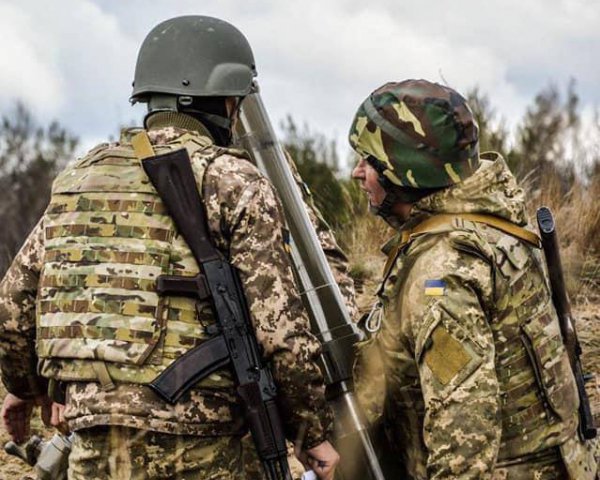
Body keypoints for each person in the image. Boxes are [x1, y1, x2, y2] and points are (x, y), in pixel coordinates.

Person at [0, 16, 340, 480]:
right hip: (200, 442)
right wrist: (311, 431)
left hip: (95, 437)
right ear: (223, 101)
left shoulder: (79, 180)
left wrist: (27, 387)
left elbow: (13, 305)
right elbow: (280, 331)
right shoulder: (232, 179)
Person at [350, 79, 597, 479]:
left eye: (368, 161)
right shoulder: (492, 221)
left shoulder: (442, 273)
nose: (357, 173)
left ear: (404, 171)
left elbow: (464, 443)